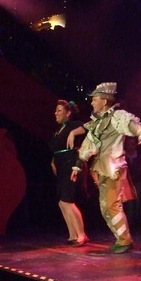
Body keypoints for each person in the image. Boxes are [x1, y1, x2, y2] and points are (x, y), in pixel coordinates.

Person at [69, 82, 141, 253]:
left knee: (111, 205)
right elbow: (88, 145)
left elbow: (130, 125)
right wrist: (78, 166)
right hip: (101, 168)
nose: (92, 102)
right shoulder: (98, 122)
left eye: (95, 99)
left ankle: (125, 240)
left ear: (104, 101)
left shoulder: (117, 116)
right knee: (105, 207)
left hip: (113, 167)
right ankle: (121, 238)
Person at [49, 100, 88, 246]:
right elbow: (57, 149)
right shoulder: (58, 130)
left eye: (59, 110)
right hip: (61, 167)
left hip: (70, 165)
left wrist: (73, 133)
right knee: (62, 202)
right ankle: (72, 235)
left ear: (68, 113)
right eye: (56, 110)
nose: (56, 113)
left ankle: (82, 235)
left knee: (67, 201)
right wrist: (53, 161)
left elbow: (87, 127)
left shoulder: (72, 125)